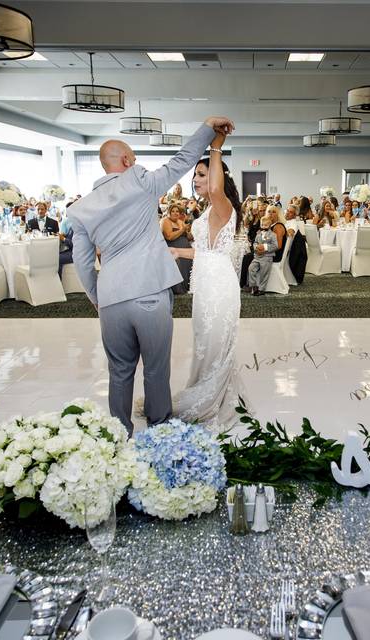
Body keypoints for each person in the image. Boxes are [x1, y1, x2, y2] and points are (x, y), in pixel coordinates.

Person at [68, 115, 234, 434]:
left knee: (119, 370)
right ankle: (160, 431)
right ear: (128, 160)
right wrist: (207, 128)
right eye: (135, 157)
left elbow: (83, 262)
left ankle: (119, 433)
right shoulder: (139, 180)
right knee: (156, 369)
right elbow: (182, 161)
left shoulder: (79, 209)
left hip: (111, 297)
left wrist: (97, 298)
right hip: (149, 293)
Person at [167, 128, 245, 428]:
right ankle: (207, 390)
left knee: (214, 346)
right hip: (207, 283)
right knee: (205, 345)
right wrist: (178, 253)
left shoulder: (222, 204)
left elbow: (215, 189)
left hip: (219, 288)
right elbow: (207, 253)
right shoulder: (210, 209)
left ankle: (210, 401)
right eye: (195, 176)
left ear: (218, 178)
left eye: (202, 175)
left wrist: (216, 148)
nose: (197, 180)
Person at [162, 203, 193, 294]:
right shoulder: (165, 221)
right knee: (180, 267)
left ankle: (188, 287)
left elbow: (188, 237)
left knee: (188, 267)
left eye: (177, 212)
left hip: (186, 249)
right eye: (173, 211)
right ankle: (179, 289)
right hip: (174, 249)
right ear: (169, 212)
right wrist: (182, 230)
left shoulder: (180, 222)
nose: (175, 213)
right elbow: (169, 236)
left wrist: (190, 233)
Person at [247, 215, 278, 296]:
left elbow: (275, 246)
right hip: (257, 256)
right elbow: (255, 242)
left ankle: (262, 289)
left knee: (264, 273)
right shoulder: (259, 234)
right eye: (262, 225)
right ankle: (254, 286)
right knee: (251, 268)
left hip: (267, 257)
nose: (264, 226)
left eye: (266, 225)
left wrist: (264, 247)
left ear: (270, 225)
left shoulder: (273, 235)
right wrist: (256, 247)